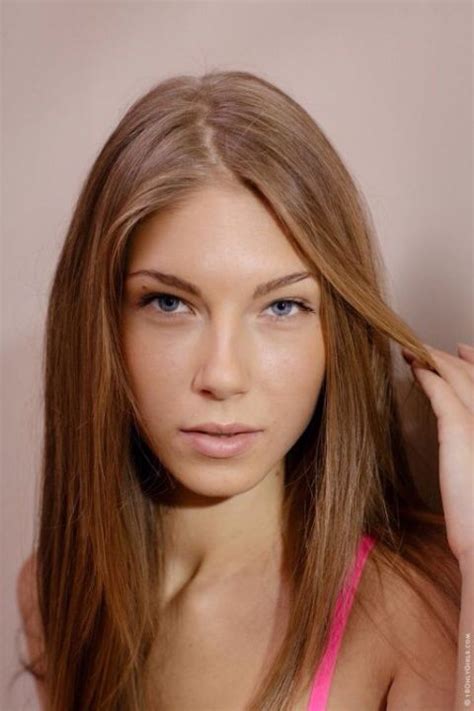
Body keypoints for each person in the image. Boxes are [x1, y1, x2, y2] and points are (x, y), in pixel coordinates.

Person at [14, 70, 473, 710]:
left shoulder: (407, 612)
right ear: (100, 325)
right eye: (169, 302)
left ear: (335, 329)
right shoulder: (58, 590)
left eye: (282, 308)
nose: (223, 376)